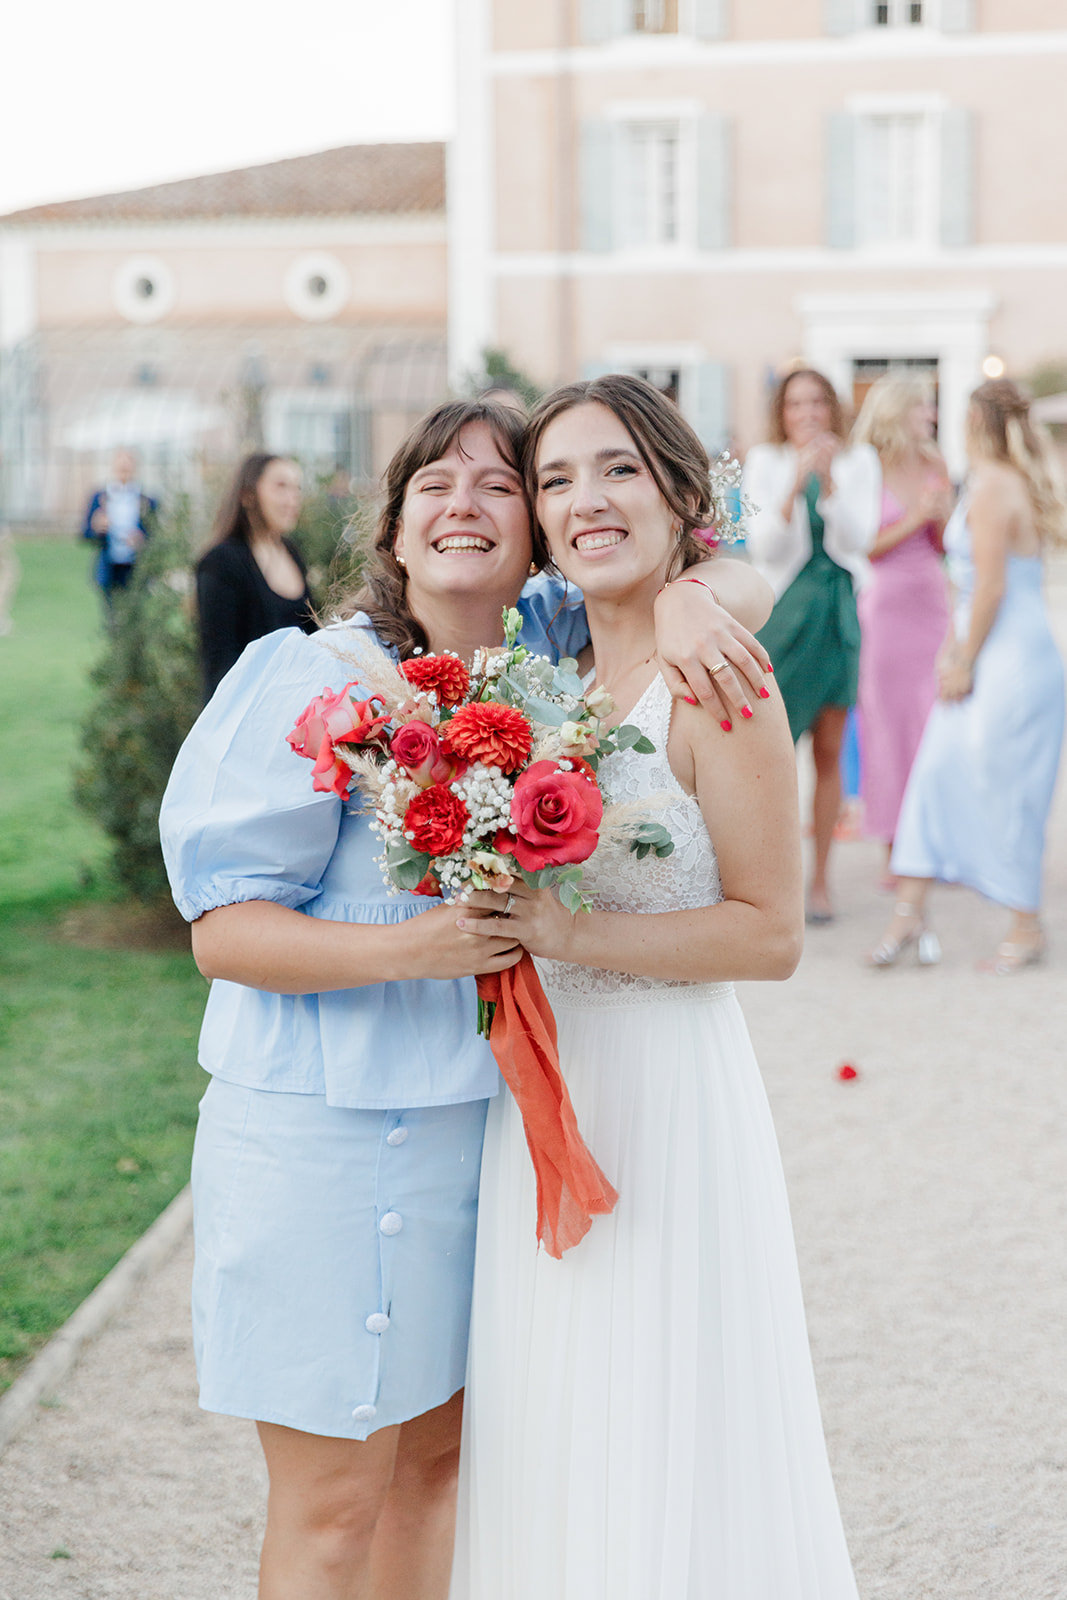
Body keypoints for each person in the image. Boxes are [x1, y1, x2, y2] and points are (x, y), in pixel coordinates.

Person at [158, 395, 774, 1600]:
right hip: (323, 1141)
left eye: (498, 484)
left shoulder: (547, 655)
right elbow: (221, 932)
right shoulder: (312, 677)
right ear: (392, 530)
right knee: (334, 1506)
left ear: (534, 532)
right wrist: (416, 948)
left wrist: (694, 596)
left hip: (475, 1146)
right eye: (433, 485)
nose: (464, 506)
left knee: (439, 1477)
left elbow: (726, 570)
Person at [450, 376, 858, 1600]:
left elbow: (770, 933)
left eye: (617, 468)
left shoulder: (714, 678)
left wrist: (562, 928)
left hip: (665, 1099)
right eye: (556, 479)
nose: (585, 499)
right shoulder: (543, 684)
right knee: (555, 1419)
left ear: (681, 494)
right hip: (540, 1099)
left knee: (669, 1421)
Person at [870, 378, 1067, 974]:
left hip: (1009, 658)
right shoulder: (1006, 481)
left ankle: (1026, 924)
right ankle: (908, 914)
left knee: (1010, 789)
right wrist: (955, 648)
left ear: (976, 423)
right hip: (1000, 646)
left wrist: (963, 660)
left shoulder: (993, 487)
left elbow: (990, 588)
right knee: (934, 773)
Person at [743, 367, 881, 922]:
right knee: (772, 752)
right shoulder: (765, 461)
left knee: (829, 750)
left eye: (818, 402)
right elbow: (766, 547)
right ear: (782, 412)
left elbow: (859, 540)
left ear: (832, 408)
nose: (808, 414)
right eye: (796, 404)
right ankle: (768, 881)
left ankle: (821, 880)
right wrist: (795, 485)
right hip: (784, 614)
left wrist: (832, 484)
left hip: (837, 611)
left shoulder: (859, 461)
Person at [852, 374, 954, 883]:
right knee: (889, 726)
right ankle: (894, 849)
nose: (930, 416)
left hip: (931, 601)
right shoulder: (865, 465)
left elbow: (943, 545)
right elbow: (861, 546)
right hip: (885, 608)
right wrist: (917, 516)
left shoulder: (935, 462)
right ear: (897, 411)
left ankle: (937, 845)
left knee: (936, 723)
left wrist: (942, 517)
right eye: (922, 407)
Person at [195, 453, 315, 702]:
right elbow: (221, 664)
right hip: (248, 711)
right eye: (281, 486)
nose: (293, 499)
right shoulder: (221, 562)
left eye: (297, 488)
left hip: (300, 707)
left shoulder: (292, 552)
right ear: (247, 495)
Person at [81, 448, 157, 609]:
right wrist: (96, 528)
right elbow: (85, 534)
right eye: (121, 467)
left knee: (135, 611)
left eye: (127, 467)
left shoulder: (147, 500)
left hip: (136, 567)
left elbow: (157, 536)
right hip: (109, 566)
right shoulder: (100, 498)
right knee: (112, 613)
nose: (124, 470)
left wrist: (142, 539)